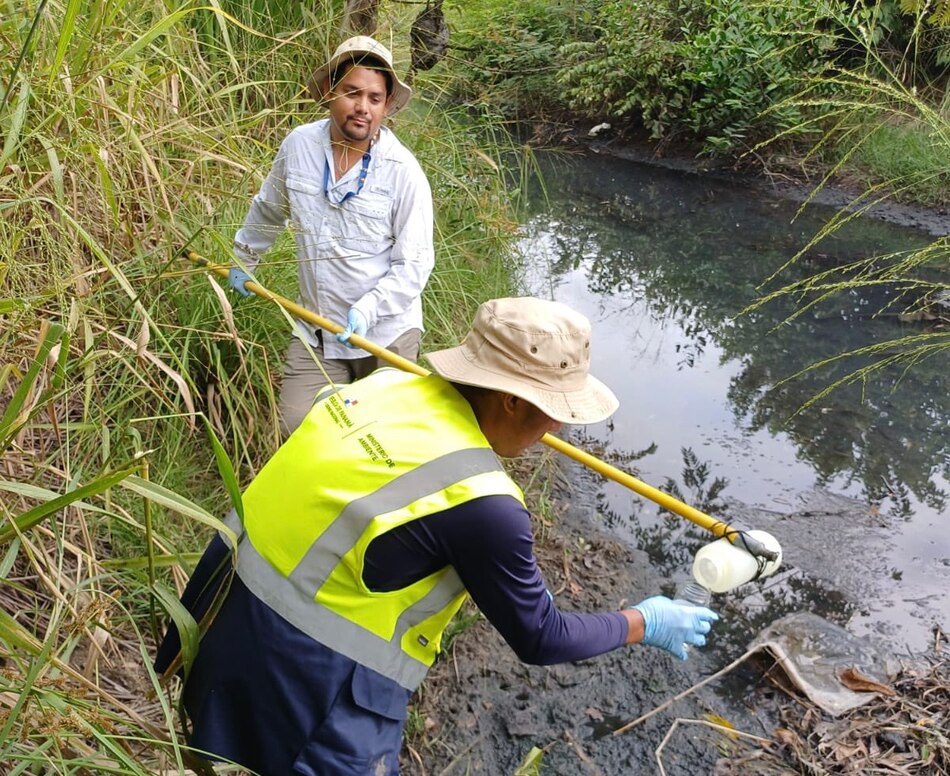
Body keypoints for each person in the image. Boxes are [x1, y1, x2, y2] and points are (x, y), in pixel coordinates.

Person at [154, 297, 719, 776]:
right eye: (555, 409)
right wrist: (645, 621)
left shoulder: (385, 386)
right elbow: (541, 637)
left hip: (217, 609)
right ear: (513, 401)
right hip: (305, 679)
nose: (561, 427)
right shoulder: (485, 506)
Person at [228, 35, 434, 436]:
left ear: (387, 106)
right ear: (329, 92)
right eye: (352, 92)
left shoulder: (402, 172)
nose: (362, 107)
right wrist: (243, 259)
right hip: (317, 330)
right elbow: (269, 208)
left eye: (375, 98)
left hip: (387, 335)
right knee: (297, 431)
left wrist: (369, 308)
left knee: (380, 441)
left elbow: (415, 264)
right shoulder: (299, 145)